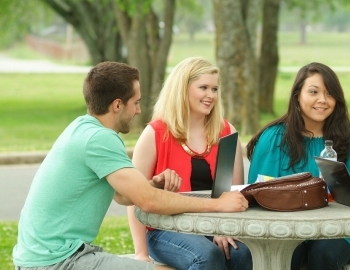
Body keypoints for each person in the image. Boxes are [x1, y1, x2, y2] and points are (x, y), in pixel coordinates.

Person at [12, 61, 248, 270]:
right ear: (117, 105)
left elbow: (123, 196)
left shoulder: (81, 128)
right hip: (59, 261)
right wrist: (217, 204)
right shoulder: (101, 139)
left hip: (52, 256)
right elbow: (148, 201)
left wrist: (151, 184)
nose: (138, 110)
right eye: (135, 103)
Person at [246, 62, 350, 270]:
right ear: (297, 95)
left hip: (338, 229)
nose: (322, 100)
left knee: (324, 254)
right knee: (288, 256)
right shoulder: (274, 138)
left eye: (329, 94)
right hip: (285, 229)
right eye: (313, 92)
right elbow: (258, 193)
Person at [127, 57, 252, 270]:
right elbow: (134, 197)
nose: (211, 95)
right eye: (203, 87)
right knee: (206, 255)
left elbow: (234, 194)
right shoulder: (155, 133)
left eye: (214, 89)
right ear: (182, 89)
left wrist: (224, 229)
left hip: (213, 224)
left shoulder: (226, 133)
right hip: (164, 229)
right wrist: (141, 253)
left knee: (240, 254)